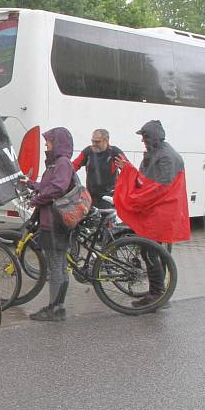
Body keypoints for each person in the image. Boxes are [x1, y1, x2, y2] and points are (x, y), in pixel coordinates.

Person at [114, 120, 190, 307]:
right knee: (153, 251)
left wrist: (129, 172)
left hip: (161, 212)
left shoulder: (165, 157)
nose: (143, 141)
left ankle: (157, 294)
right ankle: (158, 292)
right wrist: (130, 169)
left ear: (153, 137)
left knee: (150, 252)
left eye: (145, 137)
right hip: (160, 211)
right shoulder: (158, 153)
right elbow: (148, 181)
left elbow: (155, 187)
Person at [23, 127, 77, 322]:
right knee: (60, 266)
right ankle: (59, 307)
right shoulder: (57, 163)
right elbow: (48, 185)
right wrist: (30, 184)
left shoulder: (62, 163)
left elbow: (57, 188)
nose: (46, 144)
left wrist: (36, 200)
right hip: (55, 221)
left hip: (54, 222)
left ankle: (54, 308)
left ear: (58, 142)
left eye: (49, 141)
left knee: (56, 267)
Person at [72, 129, 125, 208]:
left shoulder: (114, 152)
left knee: (106, 219)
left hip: (108, 197)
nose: (94, 144)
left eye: (97, 142)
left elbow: (128, 170)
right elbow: (73, 166)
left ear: (106, 141)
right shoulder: (88, 151)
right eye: (92, 141)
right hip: (90, 196)